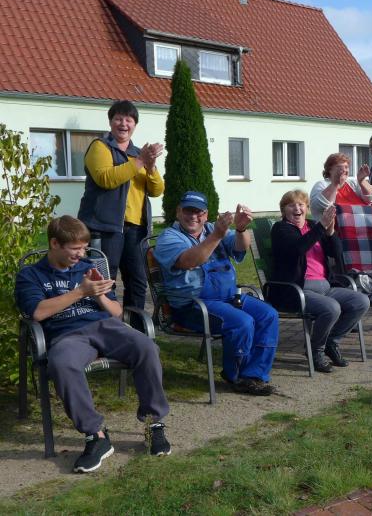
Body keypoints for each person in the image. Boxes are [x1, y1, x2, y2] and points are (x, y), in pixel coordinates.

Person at [15, 216, 170, 473]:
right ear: (54, 243)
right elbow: (38, 312)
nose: (81, 254)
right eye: (75, 248)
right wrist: (80, 292)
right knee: (62, 363)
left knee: (147, 347)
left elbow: (116, 312)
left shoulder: (88, 267)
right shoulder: (31, 275)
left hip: (105, 327)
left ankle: (154, 424)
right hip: (67, 334)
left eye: (84, 248)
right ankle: (96, 435)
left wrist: (99, 296)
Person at [154, 191, 278, 395]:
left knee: (268, 315)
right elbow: (190, 261)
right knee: (242, 322)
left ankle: (254, 374)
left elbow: (241, 246)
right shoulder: (169, 238)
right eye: (188, 211)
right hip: (192, 305)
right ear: (178, 212)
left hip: (227, 298)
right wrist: (217, 236)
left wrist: (241, 228)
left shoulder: (211, 228)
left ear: (206, 214)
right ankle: (236, 376)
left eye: (199, 212)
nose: (193, 216)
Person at [270, 190, 370, 372]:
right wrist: (321, 226)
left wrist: (330, 232)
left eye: (301, 204)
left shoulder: (312, 226)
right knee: (331, 308)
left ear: (306, 208)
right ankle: (315, 350)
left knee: (361, 301)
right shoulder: (281, 229)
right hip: (296, 290)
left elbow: (336, 253)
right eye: (291, 205)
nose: (297, 208)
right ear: (284, 210)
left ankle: (331, 341)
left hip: (325, 286)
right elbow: (298, 248)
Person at [78, 100, 164, 309]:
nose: (123, 124)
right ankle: (106, 323)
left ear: (135, 125)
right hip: (104, 228)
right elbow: (106, 179)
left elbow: (156, 190)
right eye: (118, 119)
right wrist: (140, 161)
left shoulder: (138, 153)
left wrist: (151, 167)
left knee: (137, 282)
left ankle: (135, 325)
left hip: (135, 229)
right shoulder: (100, 147)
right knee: (104, 281)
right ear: (110, 122)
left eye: (129, 120)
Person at [309, 152, 372, 220]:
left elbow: (371, 198)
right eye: (340, 167)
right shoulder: (321, 185)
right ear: (330, 170)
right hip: (335, 226)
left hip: (363, 223)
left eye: (346, 167)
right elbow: (319, 206)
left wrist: (362, 181)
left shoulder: (353, 183)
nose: (344, 170)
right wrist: (335, 183)